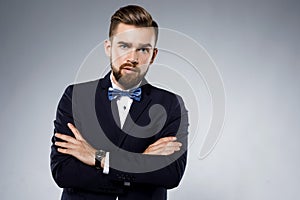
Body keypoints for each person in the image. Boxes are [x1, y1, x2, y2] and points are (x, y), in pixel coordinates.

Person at [51, 5, 189, 200]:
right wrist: (142, 163)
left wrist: (98, 158)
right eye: (124, 46)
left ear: (153, 55)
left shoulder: (171, 104)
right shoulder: (75, 96)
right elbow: (63, 171)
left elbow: (170, 174)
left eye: (142, 49)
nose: (132, 58)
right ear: (109, 48)